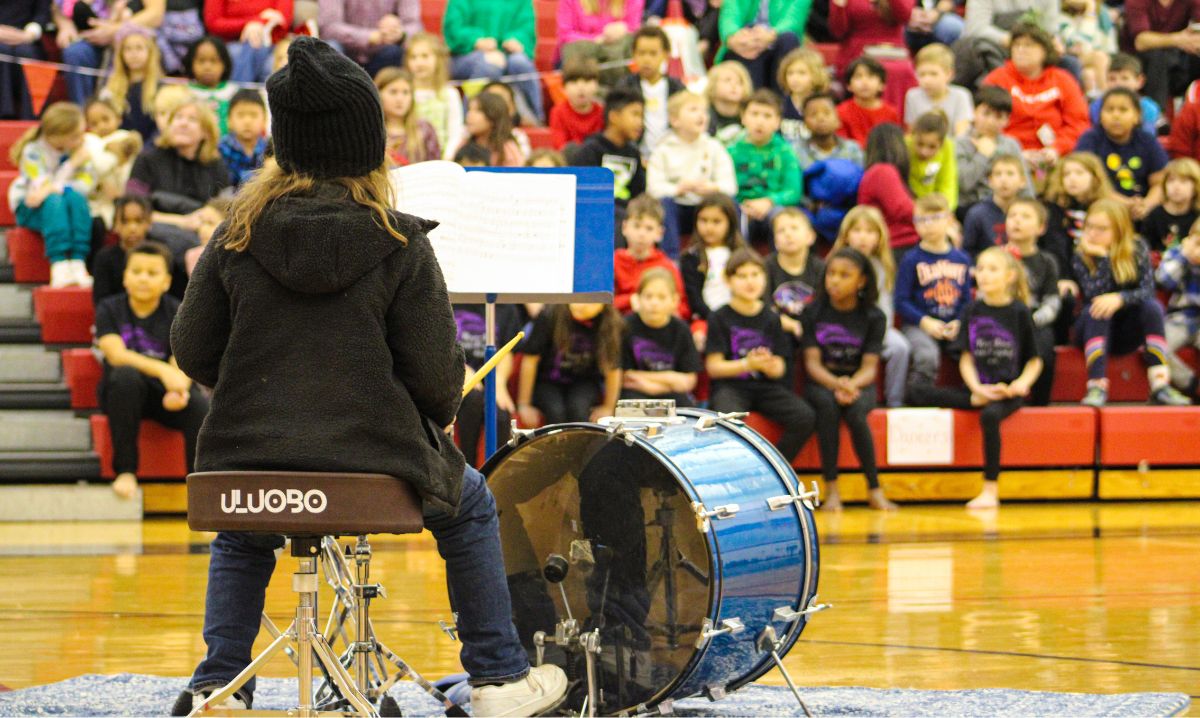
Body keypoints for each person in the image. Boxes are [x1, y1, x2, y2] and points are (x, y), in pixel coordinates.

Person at [169, 37, 569, 715]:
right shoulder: (399, 239)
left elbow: (191, 349)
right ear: (367, 141)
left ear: (286, 142)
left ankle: (221, 684)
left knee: (244, 534)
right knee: (469, 505)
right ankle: (499, 681)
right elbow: (440, 385)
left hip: (248, 458)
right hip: (376, 464)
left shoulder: (236, 232)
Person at [908, 247, 1044, 509]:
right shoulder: (972, 309)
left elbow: (1034, 360)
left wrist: (1019, 386)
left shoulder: (1019, 312)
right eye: (980, 269)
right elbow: (967, 358)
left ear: (1010, 276)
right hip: (978, 388)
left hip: (1008, 393)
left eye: (992, 269)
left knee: (990, 415)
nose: (984, 275)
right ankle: (977, 399)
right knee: (917, 392)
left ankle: (990, 490)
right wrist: (976, 389)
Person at [98, 241, 208, 501]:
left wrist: (179, 389)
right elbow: (116, 354)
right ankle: (125, 471)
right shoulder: (109, 308)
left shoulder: (178, 311)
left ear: (167, 281)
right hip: (121, 394)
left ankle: (200, 489)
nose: (143, 279)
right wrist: (162, 371)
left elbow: (181, 359)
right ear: (125, 277)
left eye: (152, 273)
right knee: (126, 376)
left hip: (163, 395)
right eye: (136, 272)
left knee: (199, 406)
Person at [1059, 198, 1192, 406]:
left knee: (1152, 307)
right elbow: (1095, 294)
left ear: (1119, 230)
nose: (1093, 233)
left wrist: (1120, 298)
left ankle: (1160, 384)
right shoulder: (1081, 255)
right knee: (1098, 309)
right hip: (1091, 329)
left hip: (1127, 332)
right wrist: (1102, 258)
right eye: (1090, 227)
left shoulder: (1137, 247)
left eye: (1102, 229)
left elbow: (1148, 290)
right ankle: (1096, 386)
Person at [802, 247, 897, 511]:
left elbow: (870, 367)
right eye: (831, 273)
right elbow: (812, 363)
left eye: (845, 275)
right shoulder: (812, 311)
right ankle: (831, 490)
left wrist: (851, 384)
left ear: (862, 280)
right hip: (823, 381)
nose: (835, 280)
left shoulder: (874, 316)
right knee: (827, 408)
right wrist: (836, 384)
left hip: (859, 382)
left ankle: (874, 489)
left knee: (857, 414)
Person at [706, 248, 816, 462]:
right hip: (731, 388)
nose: (750, 281)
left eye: (755, 275)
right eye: (742, 276)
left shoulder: (772, 318)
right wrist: (748, 364)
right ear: (728, 280)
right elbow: (714, 367)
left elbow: (781, 367)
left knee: (805, 417)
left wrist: (771, 366)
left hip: (766, 388)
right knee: (728, 419)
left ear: (765, 279)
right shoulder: (719, 317)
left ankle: (773, 467)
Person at [6, 101, 95, 288]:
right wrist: (71, 166)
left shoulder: (79, 150)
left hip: (64, 203)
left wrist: (57, 187)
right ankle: (59, 263)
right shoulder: (33, 152)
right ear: (59, 136)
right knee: (55, 201)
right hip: (31, 209)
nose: (82, 138)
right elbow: (42, 189)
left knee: (76, 199)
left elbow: (85, 185)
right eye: (76, 135)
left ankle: (78, 260)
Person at [982, 22, 1089, 173]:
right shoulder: (997, 79)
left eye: (1029, 45)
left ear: (1045, 50)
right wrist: (1015, 152)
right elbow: (985, 125)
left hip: (1056, 157)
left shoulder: (1063, 80)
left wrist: (1057, 148)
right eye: (1016, 45)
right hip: (1007, 159)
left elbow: (1078, 123)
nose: (1021, 50)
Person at [832, 205, 912, 407]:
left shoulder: (882, 265)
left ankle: (894, 402)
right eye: (857, 231)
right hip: (842, 329)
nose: (863, 237)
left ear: (879, 237)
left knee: (900, 347)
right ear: (847, 235)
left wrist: (877, 336)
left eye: (869, 232)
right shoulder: (835, 264)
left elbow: (885, 307)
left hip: (874, 330)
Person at [127, 99, 231, 249]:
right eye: (178, 117)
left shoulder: (216, 165)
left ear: (205, 132)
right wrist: (182, 221)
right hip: (153, 236)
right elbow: (132, 211)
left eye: (192, 119)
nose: (183, 123)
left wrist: (205, 222)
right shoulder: (147, 159)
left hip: (201, 238)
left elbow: (223, 212)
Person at [647, 90, 737, 259]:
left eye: (704, 111)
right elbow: (653, 188)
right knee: (664, 204)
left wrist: (713, 187)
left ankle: (735, 253)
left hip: (706, 207)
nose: (701, 115)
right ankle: (671, 258)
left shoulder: (714, 146)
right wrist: (678, 189)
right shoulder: (663, 150)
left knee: (730, 204)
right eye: (693, 110)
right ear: (675, 120)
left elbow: (730, 186)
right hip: (678, 209)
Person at [896, 193, 972, 392]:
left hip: (953, 323)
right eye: (921, 220)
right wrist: (925, 322)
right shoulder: (911, 259)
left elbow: (966, 299)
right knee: (927, 356)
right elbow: (901, 300)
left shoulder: (962, 259)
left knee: (971, 348)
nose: (928, 225)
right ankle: (919, 396)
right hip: (918, 325)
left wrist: (959, 322)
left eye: (935, 218)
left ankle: (971, 392)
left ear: (948, 220)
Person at [516, 303, 624, 426]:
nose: (581, 305)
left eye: (591, 302)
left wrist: (608, 407)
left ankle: (581, 445)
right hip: (547, 381)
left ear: (604, 303)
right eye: (576, 298)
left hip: (585, 382)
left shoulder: (610, 322)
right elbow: (530, 360)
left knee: (578, 409)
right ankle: (555, 445)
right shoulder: (550, 314)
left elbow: (613, 368)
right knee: (555, 411)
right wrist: (524, 404)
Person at [1074, 88, 1168, 220]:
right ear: (1100, 116)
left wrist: (1146, 205)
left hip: (1142, 211)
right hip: (1099, 209)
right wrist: (1126, 204)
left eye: (1123, 110)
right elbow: (1088, 184)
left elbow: (1160, 182)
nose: (1116, 115)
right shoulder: (1089, 140)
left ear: (1137, 116)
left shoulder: (1147, 141)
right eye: (1109, 110)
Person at [443, 0, 543, 122]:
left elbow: (526, 27)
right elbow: (453, 27)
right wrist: (476, 40)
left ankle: (536, 118)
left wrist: (517, 40)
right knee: (489, 66)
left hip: (507, 53)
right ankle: (468, 119)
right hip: (466, 54)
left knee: (520, 63)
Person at [54, 0, 165, 105]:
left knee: (133, 48)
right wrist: (65, 25)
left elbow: (155, 14)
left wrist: (115, 29)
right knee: (75, 52)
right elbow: (59, 6)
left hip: (132, 34)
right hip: (91, 36)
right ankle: (82, 116)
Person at [729, 88, 800, 250]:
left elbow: (793, 191)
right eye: (754, 114)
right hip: (741, 206)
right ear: (743, 117)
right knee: (734, 215)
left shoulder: (785, 152)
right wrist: (744, 204)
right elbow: (726, 186)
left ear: (777, 122)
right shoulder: (731, 151)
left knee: (782, 218)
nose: (760, 121)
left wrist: (769, 201)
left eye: (767, 116)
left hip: (773, 206)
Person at [1005, 197, 1060, 406]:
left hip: (1035, 319)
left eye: (1025, 217)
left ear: (1041, 228)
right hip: (1002, 318)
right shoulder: (996, 257)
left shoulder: (1047, 261)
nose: (1017, 221)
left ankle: (1040, 403)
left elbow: (1052, 300)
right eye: (1012, 216)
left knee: (1044, 346)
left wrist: (1034, 320)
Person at [453, 301, 521, 467]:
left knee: (500, 411)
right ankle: (466, 470)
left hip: (490, 376)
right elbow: (438, 343)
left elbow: (507, 352)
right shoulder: (449, 302)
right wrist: (461, 368)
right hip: (456, 375)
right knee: (472, 402)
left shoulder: (507, 309)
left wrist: (499, 383)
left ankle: (496, 471)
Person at [621, 268, 702, 405]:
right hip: (634, 392)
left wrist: (653, 386)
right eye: (648, 296)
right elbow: (624, 376)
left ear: (675, 300)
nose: (654, 303)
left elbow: (689, 381)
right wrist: (671, 378)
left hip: (671, 393)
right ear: (638, 298)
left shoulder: (681, 329)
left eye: (661, 297)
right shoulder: (624, 326)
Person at [569, 88, 646, 216]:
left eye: (642, 116)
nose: (640, 123)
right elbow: (587, 198)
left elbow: (639, 195)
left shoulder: (634, 153)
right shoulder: (590, 150)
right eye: (635, 114)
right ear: (614, 117)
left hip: (628, 218)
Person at [829, 0, 918, 109]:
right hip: (858, 50)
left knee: (903, 70)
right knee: (870, 69)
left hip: (893, 50)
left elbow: (904, 16)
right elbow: (838, 31)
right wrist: (839, 7)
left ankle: (896, 119)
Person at [956, 86, 1032, 211]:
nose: (991, 121)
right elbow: (964, 184)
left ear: (1007, 120)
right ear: (974, 112)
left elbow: (1025, 185)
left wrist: (1029, 209)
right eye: (986, 114)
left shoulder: (1011, 145)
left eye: (998, 117)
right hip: (969, 207)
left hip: (1007, 207)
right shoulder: (960, 143)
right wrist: (982, 155)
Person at [616, 26, 687, 157]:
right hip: (635, 156)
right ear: (633, 54)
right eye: (641, 53)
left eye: (653, 53)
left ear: (666, 55)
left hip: (673, 155)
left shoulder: (677, 88)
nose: (647, 59)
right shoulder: (625, 86)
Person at [681, 193, 747, 332]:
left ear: (730, 222)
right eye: (703, 220)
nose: (709, 227)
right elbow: (695, 299)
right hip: (705, 319)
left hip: (740, 316)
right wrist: (716, 319)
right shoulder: (691, 257)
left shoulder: (741, 255)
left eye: (716, 221)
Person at [614, 194, 689, 317]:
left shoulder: (667, 266)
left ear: (659, 233)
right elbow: (601, 304)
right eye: (637, 226)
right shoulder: (612, 262)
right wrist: (629, 301)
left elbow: (682, 308)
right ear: (624, 227)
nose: (641, 234)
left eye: (649, 228)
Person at [715, 0, 807, 92]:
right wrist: (733, 38)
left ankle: (782, 100)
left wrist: (770, 35)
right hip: (746, 40)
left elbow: (793, 20)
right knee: (740, 50)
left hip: (777, 38)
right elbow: (730, 14)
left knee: (789, 39)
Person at [1125, 0, 1200, 112]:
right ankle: (1157, 115)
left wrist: (1194, 42)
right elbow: (1141, 42)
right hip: (1139, 60)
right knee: (1158, 58)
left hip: (1177, 57)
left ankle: (1191, 114)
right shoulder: (1137, 2)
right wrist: (1179, 39)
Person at [859, 123, 918, 258]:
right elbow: (904, 209)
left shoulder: (877, 171)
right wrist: (936, 217)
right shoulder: (883, 171)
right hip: (897, 246)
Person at [763, 208, 824, 340]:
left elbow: (823, 308)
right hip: (776, 330)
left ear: (810, 236)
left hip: (813, 329)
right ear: (775, 242)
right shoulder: (765, 266)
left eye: (794, 228)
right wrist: (790, 324)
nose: (788, 234)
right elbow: (764, 307)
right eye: (781, 230)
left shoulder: (820, 268)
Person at [318, 0, 421, 78]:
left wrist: (399, 34)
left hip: (384, 53)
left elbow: (415, 25)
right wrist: (369, 36)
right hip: (345, 52)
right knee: (331, 47)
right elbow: (328, 27)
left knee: (397, 51)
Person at [1156, 219, 1200, 398]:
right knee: (1157, 348)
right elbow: (1163, 280)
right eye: (1198, 242)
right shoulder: (1177, 254)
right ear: (1189, 239)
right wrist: (1185, 257)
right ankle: (1191, 384)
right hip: (1178, 320)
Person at [83, 97, 142, 229]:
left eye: (106, 119)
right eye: (94, 123)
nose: (101, 126)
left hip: (124, 192)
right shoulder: (88, 141)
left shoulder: (127, 138)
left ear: (118, 118)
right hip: (97, 197)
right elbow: (96, 167)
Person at [556, 0, 642, 87]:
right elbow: (565, 34)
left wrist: (625, 28)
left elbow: (635, 28)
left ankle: (619, 90)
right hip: (582, 54)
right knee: (573, 49)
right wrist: (596, 39)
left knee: (627, 43)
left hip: (616, 54)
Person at [405, 33, 463, 161]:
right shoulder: (405, 92)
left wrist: (447, 158)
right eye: (413, 57)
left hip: (441, 160)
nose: (418, 63)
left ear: (438, 59)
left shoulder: (450, 94)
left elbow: (455, 132)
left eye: (425, 56)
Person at [203, 0, 292, 83]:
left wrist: (257, 24)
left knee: (279, 61)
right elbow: (213, 22)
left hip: (272, 46)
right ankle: (241, 94)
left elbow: (284, 20)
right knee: (241, 50)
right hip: (232, 43)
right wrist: (252, 23)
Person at [100, 24, 163, 140]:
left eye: (139, 48)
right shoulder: (111, 86)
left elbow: (160, 129)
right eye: (128, 49)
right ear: (121, 54)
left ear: (150, 52)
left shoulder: (160, 88)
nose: (133, 54)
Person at [962, 154, 1026, 258]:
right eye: (998, 174)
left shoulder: (1029, 212)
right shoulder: (977, 213)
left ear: (1022, 181)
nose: (1004, 180)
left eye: (1010, 174)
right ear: (990, 181)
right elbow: (968, 252)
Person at [375, 67, 440, 167]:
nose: (400, 99)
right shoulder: (372, 131)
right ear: (378, 94)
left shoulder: (425, 129)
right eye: (393, 92)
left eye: (406, 92)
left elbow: (435, 167)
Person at [904, 43, 972, 136]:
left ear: (949, 74)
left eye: (933, 74)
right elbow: (912, 133)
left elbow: (961, 135)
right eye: (922, 74)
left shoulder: (961, 96)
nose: (926, 80)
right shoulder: (912, 96)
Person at [1090, 54, 1162, 135]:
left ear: (1139, 81)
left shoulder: (1148, 107)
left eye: (1125, 78)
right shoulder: (1098, 106)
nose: (1118, 83)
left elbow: (1148, 137)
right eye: (1112, 79)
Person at [0, 0, 49, 119]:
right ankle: (5, 113)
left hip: (27, 38)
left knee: (27, 54)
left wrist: (28, 35)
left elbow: (42, 14)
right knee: (2, 52)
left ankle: (31, 116)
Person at [838, 58, 902, 149]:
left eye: (871, 76)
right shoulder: (841, 112)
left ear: (882, 85)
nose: (865, 82)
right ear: (849, 86)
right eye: (858, 77)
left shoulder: (891, 113)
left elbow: (895, 144)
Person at [792, 93, 864, 170]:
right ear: (805, 123)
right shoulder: (795, 151)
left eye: (827, 113)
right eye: (813, 114)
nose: (821, 118)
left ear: (838, 120)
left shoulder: (852, 149)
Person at [1059, 0, 1116, 96]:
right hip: (1069, 59)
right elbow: (1081, 44)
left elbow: (1110, 48)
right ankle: (1107, 98)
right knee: (1099, 57)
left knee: (1089, 74)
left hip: (1099, 64)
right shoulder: (1061, 17)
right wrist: (1090, 8)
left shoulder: (1103, 16)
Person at [1143, 158, 1200, 253]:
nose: (1176, 186)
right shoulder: (1154, 215)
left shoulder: (1197, 216)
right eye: (1171, 180)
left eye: (1183, 181)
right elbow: (1146, 249)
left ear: (1196, 186)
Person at [185, 36, 238, 136]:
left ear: (225, 64)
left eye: (214, 61)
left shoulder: (234, 93)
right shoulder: (185, 93)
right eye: (201, 61)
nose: (207, 67)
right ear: (191, 63)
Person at [550, 57, 605, 150]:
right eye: (574, 82)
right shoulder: (558, 112)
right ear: (564, 87)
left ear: (597, 85)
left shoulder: (603, 112)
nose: (581, 87)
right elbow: (560, 147)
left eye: (587, 81)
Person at [777, 47, 830, 144]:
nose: (795, 78)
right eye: (790, 73)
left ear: (815, 75)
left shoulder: (825, 104)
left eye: (802, 73)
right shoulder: (779, 104)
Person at [218, 89, 269, 188]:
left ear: (264, 120)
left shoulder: (270, 150)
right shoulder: (220, 149)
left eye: (254, 115)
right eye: (240, 115)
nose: (247, 121)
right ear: (229, 120)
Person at [459, 93, 525, 167]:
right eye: (469, 110)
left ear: (493, 116)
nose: (469, 115)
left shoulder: (508, 150)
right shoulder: (464, 144)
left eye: (478, 111)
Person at [907, 110, 957, 209]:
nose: (924, 151)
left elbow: (948, 183)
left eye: (932, 147)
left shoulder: (948, 147)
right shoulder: (905, 145)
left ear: (942, 144)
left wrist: (945, 209)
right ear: (913, 136)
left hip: (935, 206)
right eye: (919, 144)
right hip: (910, 205)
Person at [705, 60, 753, 146]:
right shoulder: (704, 113)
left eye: (740, 82)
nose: (734, 85)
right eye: (727, 80)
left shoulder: (751, 113)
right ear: (712, 85)